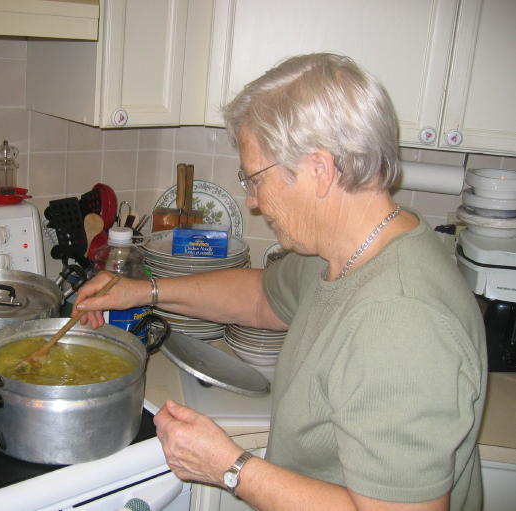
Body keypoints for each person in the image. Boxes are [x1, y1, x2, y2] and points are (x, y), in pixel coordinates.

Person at [73, 53, 487, 510]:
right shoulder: (347, 248)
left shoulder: (400, 322)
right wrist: (142, 291)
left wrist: (229, 468)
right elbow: (259, 297)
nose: (251, 201)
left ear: (319, 170)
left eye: (255, 179)